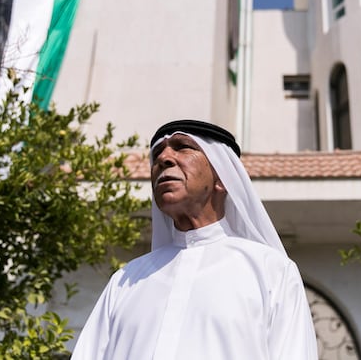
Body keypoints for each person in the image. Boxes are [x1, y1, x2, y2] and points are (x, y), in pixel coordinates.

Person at [72, 119, 318, 360]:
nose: (164, 158)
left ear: (222, 178)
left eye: (182, 147)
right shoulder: (125, 281)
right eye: (157, 153)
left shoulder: (271, 272)